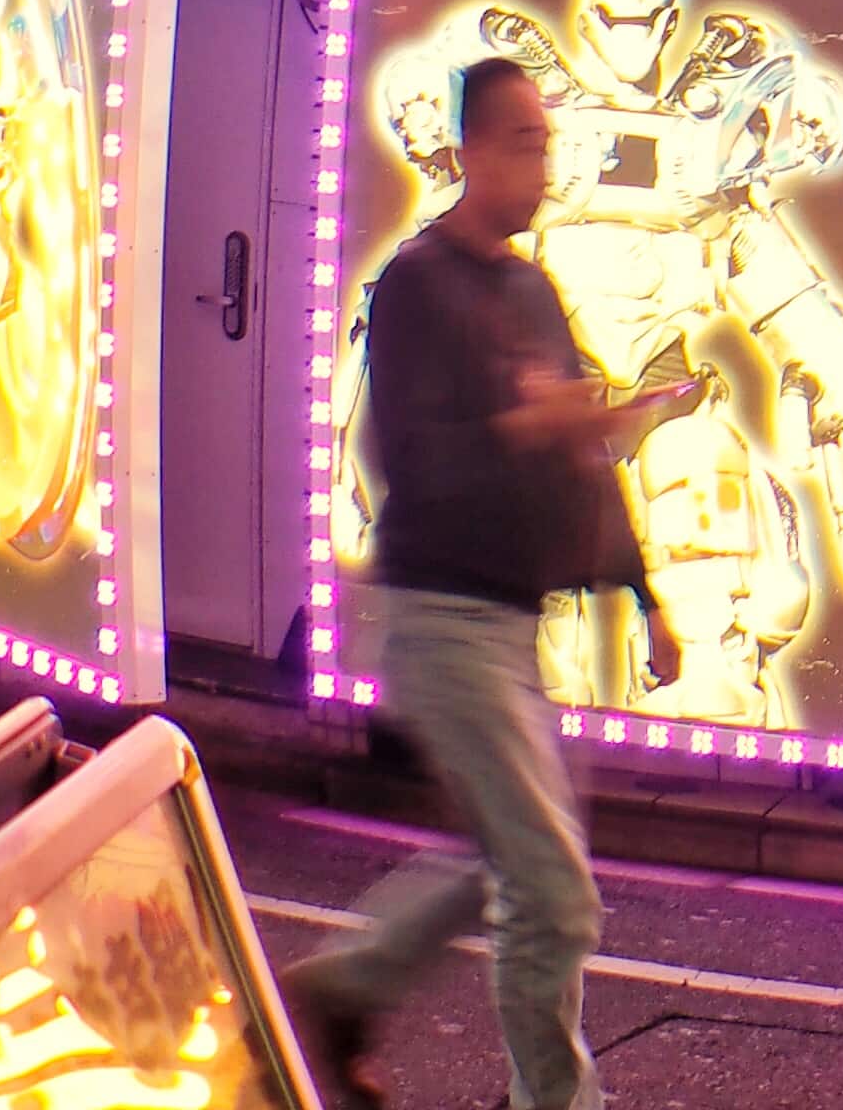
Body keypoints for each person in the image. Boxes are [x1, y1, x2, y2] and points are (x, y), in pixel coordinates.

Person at [286, 59, 695, 1110]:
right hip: (442, 619)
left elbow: (572, 452)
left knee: (505, 862)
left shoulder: (528, 287)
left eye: (546, 142)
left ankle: (340, 992)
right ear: (466, 151)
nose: (541, 163)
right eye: (521, 141)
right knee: (552, 892)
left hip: (507, 628)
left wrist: (642, 589)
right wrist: (547, 423)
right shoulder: (419, 283)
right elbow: (412, 461)